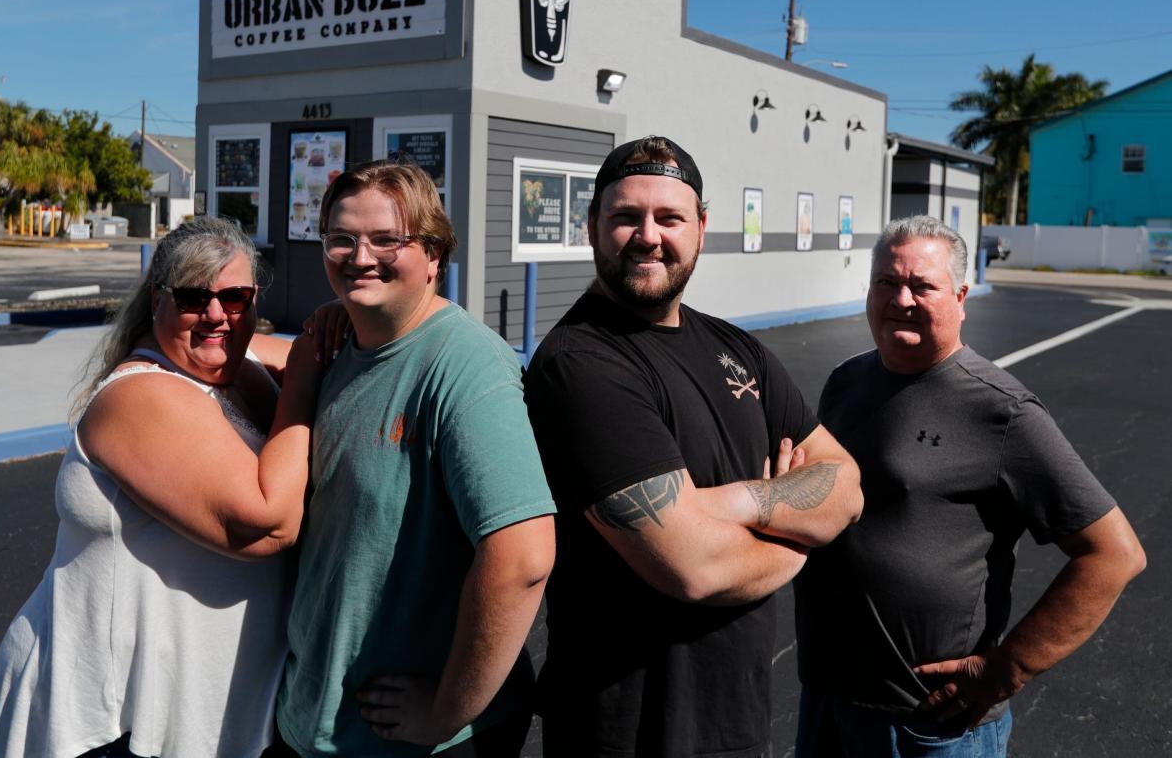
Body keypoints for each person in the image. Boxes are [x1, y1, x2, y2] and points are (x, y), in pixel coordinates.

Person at [522, 136, 864, 758]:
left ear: (702, 227)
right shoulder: (581, 363)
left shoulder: (739, 349)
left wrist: (728, 504)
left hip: (735, 716)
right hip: (627, 731)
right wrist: (798, 539)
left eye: (669, 217)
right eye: (626, 216)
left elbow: (846, 483)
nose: (648, 236)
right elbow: (694, 568)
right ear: (592, 225)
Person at [0, 216, 343, 758]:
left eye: (237, 297)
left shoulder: (232, 364)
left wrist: (341, 329)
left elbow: (292, 347)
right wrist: (301, 381)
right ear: (159, 301)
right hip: (116, 720)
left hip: (206, 711)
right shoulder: (141, 396)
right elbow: (268, 525)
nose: (218, 315)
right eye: (195, 297)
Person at [794, 215, 1147, 757]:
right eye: (886, 282)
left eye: (922, 285)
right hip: (829, 701)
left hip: (929, 725)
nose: (900, 299)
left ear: (960, 296)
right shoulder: (846, 382)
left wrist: (1007, 668)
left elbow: (1115, 554)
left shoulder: (1002, 412)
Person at [273, 161, 557, 758]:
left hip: (413, 742)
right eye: (342, 238)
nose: (359, 255)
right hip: (315, 719)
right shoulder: (338, 345)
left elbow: (524, 558)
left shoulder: (465, 365)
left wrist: (447, 711)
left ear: (433, 255)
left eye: (386, 240)